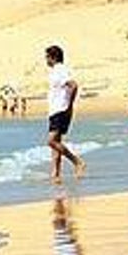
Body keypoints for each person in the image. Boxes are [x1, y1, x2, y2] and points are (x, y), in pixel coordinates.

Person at [44, 45, 85, 183]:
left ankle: (77, 162)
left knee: (51, 141)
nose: (46, 60)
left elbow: (73, 85)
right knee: (57, 142)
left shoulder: (60, 70)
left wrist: (70, 104)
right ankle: (55, 174)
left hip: (61, 109)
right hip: (55, 109)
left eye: (47, 57)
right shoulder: (56, 71)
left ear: (53, 57)